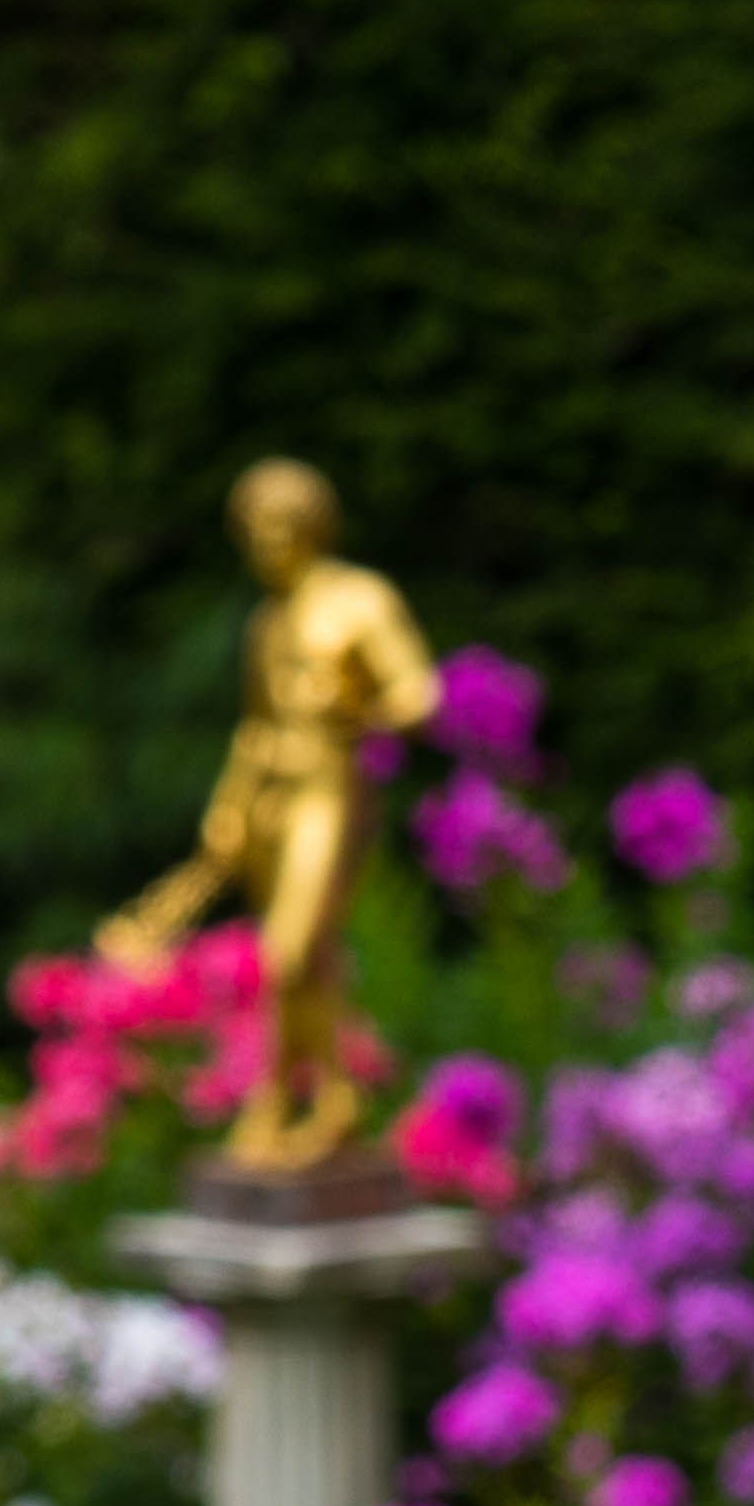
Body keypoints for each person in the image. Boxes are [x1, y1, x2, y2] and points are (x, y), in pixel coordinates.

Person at [103, 457, 438, 1170]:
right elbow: (255, 729)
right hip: (271, 798)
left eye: (279, 528)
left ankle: (273, 1107)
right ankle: (339, 1103)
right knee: (307, 963)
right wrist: (228, 809)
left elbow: (419, 693)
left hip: (332, 791)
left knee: (285, 953)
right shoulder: (267, 622)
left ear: (313, 526)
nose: (266, 545)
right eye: (254, 532)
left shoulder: (358, 600)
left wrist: (356, 707)